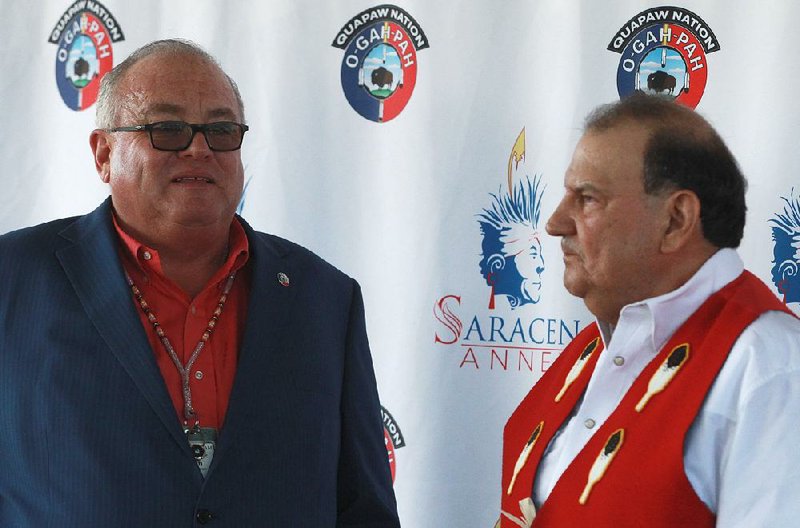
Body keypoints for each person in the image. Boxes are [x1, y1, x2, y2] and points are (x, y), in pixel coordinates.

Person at [0, 39, 399, 527]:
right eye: (167, 129)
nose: (198, 147)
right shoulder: (12, 280)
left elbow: (363, 509)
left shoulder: (324, 298)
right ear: (104, 154)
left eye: (220, 129)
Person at [498, 93, 800, 527]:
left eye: (586, 199)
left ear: (676, 220)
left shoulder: (771, 368)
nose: (555, 222)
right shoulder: (597, 344)